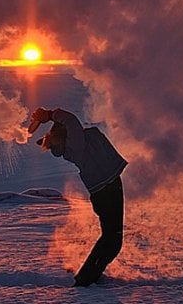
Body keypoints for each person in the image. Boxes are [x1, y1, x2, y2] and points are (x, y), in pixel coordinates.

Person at [28, 107, 127, 287]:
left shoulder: (74, 144)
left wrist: (49, 119)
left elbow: (70, 123)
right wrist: (49, 115)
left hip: (106, 189)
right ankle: (85, 281)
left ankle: (88, 277)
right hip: (107, 190)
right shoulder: (76, 145)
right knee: (112, 241)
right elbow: (71, 120)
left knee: (111, 239)